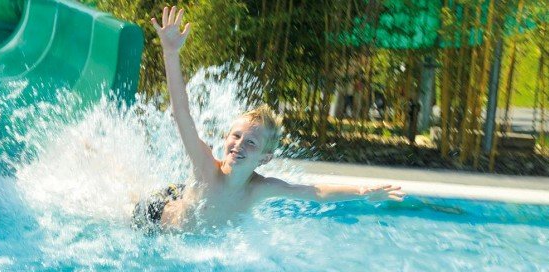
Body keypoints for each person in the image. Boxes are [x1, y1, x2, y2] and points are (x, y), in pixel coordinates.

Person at [133, 6, 405, 231]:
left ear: (265, 157)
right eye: (236, 136)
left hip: (188, 204)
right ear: (225, 139)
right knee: (123, 208)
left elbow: (315, 191)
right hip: (155, 217)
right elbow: (182, 114)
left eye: (251, 143)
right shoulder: (205, 168)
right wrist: (170, 52)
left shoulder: (259, 189)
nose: (239, 144)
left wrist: (362, 192)